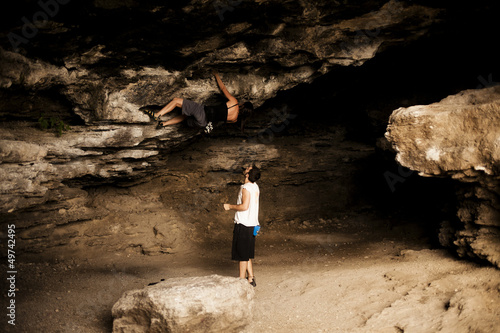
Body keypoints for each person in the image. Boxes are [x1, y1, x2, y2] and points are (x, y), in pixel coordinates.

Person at [143, 72, 253, 133]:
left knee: (176, 101)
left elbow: (223, 88)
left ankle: (157, 115)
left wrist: (216, 75)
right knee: (185, 115)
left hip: (202, 111)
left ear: (243, 105)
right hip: (203, 123)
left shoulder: (234, 102)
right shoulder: (234, 120)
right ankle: (164, 124)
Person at [224, 165, 261, 287]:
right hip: (253, 225)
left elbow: (244, 206)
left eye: (248, 168)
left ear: (247, 174)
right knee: (247, 253)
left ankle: (240, 282)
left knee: (242, 255)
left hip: (244, 225)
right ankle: (250, 278)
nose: (245, 167)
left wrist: (229, 206)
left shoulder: (245, 188)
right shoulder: (255, 187)